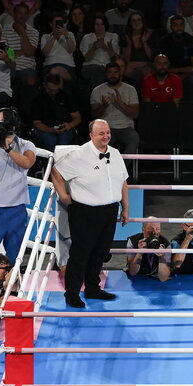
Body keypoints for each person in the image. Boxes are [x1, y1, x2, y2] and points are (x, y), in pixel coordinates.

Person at [50, 120, 130, 308]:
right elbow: (56, 172)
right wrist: (63, 195)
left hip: (109, 210)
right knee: (80, 254)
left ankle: (93, 288)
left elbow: (123, 181)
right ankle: (71, 294)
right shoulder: (79, 155)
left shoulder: (115, 153)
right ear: (91, 135)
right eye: (101, 133)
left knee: (100, 252)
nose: (106, 136)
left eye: (108, 132)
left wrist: (125, 207)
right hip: (84, 211)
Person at [0, 107, 36, 264]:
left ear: (13, 125)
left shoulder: (26, 145)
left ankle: (13, 287)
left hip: (16, 208)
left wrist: (7, 148)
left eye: (3, 123)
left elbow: (27, 163)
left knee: (15, 252)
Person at [90, 62, 140, 155]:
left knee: (134, 139)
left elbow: (135, 114)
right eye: (110, 72)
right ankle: (106, 168)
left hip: (126, 127)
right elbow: (94, 116)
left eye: (115, 72)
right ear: (106, 74)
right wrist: (104, 106)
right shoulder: (97, 90)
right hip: (105, 127)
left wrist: (121, 104)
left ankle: (122, 168)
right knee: (100, 144)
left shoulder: (130, 89)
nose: (113, 75)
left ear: (120, 73)